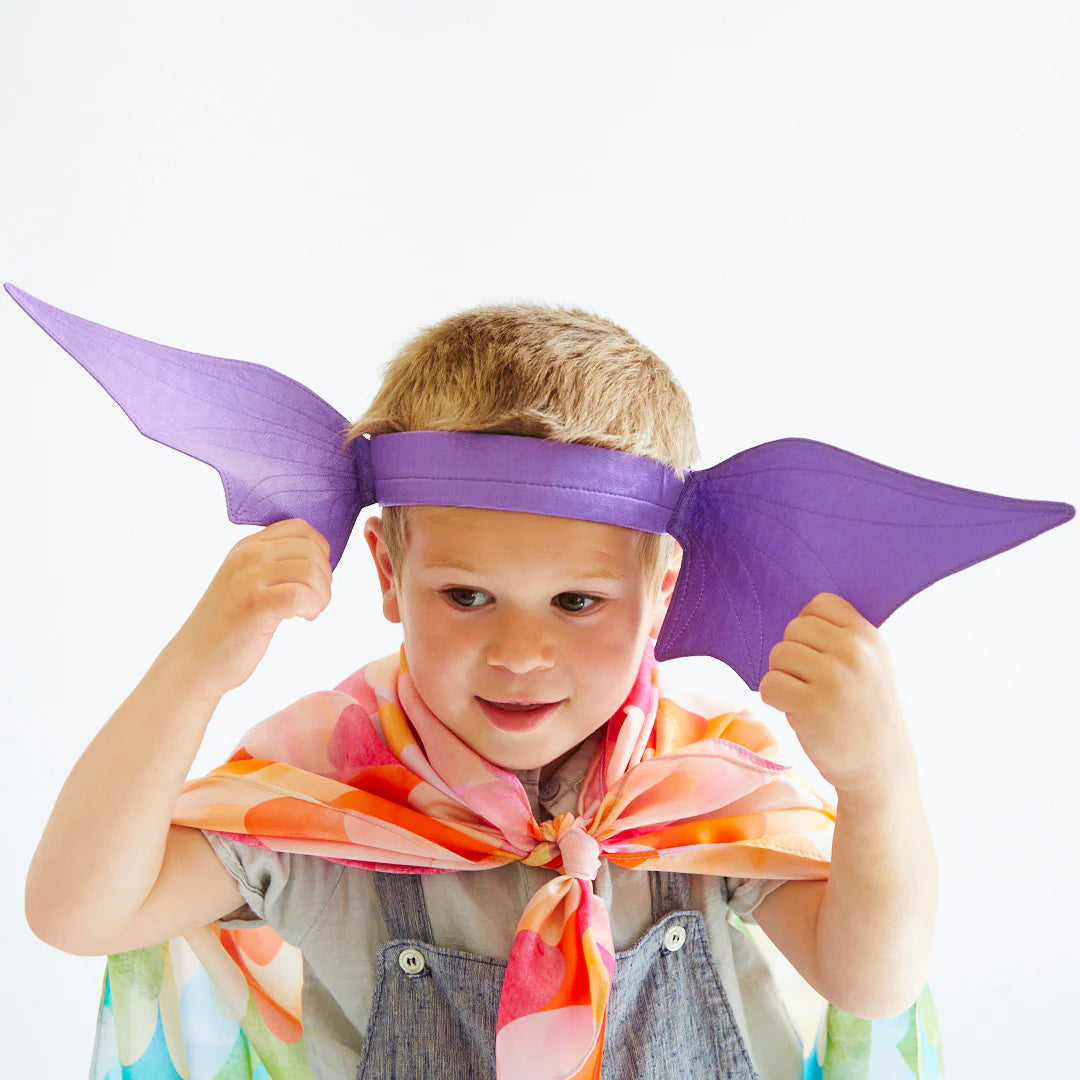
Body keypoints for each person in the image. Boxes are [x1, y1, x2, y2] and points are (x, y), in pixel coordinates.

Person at [24, 301, 937, 1079]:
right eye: (467, 596)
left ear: (662, 594)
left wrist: (877, 778)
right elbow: (79, 912)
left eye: (577, 601)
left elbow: (870, 980)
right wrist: (194, 668)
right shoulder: (325, 798)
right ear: (387, 572)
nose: (520, 652)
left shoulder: (708, 784)